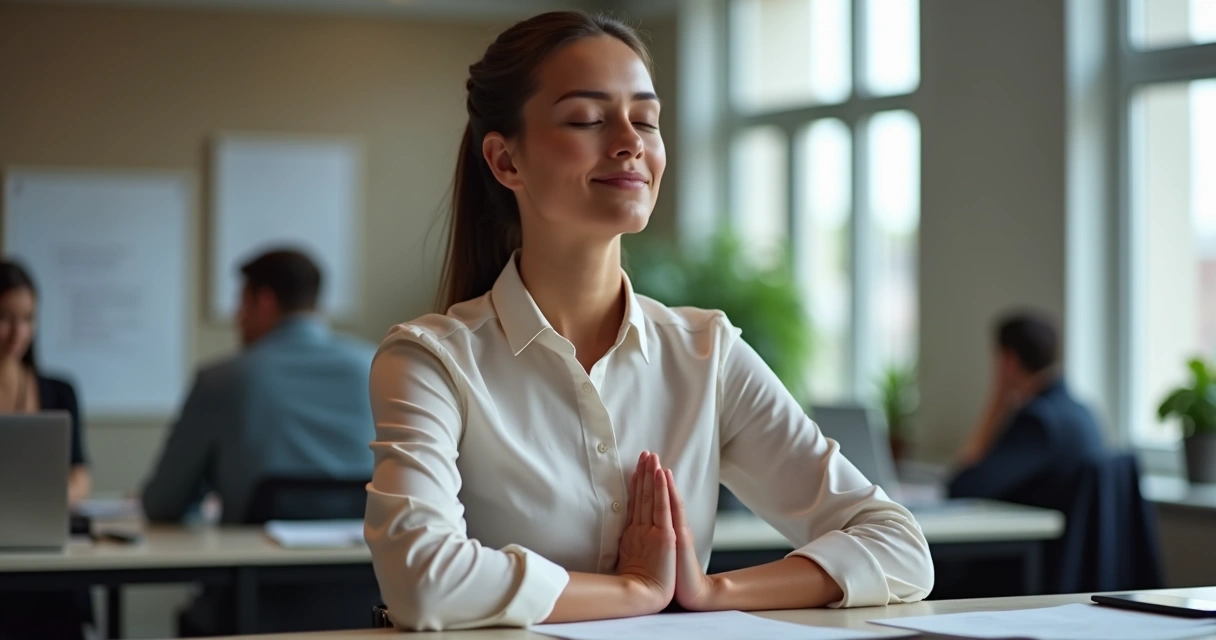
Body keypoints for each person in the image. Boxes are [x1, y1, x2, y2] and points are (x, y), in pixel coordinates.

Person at [364, 11, 933, 632]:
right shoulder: (431, 360)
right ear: (505, 161)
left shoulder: (705, 352)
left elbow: (900, 548)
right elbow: (423, 580)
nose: (630, 141)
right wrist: (635, 592)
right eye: (587, 118)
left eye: (646, 119)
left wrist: (713, 590)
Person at [141, 249, 377, 635]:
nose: (237, 318)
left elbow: (163, 503)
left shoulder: (225, 380)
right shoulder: (378, 367)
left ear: (263, 301)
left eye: (240, 304)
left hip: (251, 611)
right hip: (364, 606)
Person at [0, 260, 93, 640]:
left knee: (59, 600)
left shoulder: (59, 390)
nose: (18, 333)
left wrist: (49, 498)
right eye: (5, 318)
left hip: (45, 545)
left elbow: (80, 474)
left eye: (28, 319)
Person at [949, 312, 1107, 502]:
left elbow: (964, 488)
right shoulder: (1083, 411)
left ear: (1010, 360)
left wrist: (996, 403)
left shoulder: (1037, 420)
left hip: (1040, 530)